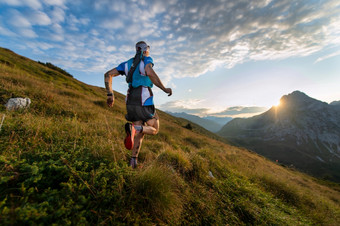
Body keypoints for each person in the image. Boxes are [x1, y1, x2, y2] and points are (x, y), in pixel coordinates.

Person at [104, 41, 172, 168]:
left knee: (138, 134)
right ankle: (135, 129)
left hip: (130, 101)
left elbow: (108, 74)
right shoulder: (146, 59)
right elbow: (150, 72)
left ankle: (133, 161)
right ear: (145, 49)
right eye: (148, 48)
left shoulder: (127, 64)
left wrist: (110, 94)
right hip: (144, 99)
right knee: (155, 128)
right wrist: (164, 88)